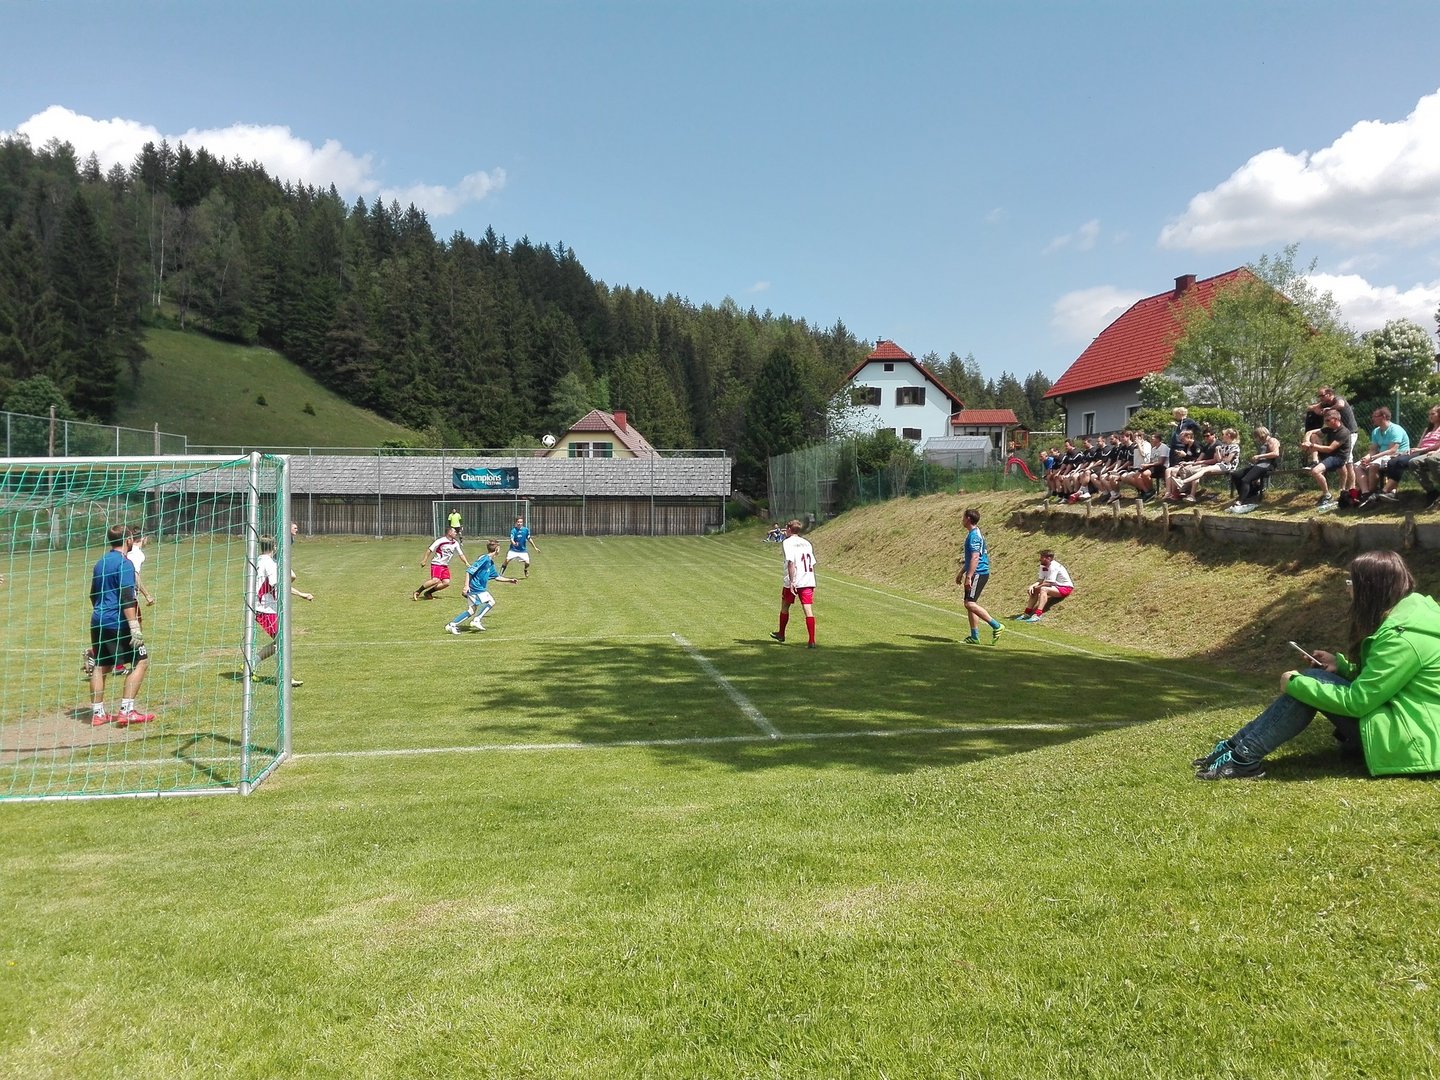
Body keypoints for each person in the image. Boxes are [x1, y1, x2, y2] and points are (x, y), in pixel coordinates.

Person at [1194, 549, 1440, 780]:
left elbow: (1359, 701)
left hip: (1413, 740)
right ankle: (1236, 749)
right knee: (1311, 682)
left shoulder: (1402, 637)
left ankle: (1242, 756)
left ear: (1370, 589)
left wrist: (1296, 685)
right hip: (1406, 725)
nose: (1348, 590)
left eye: (1351, 583)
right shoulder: (1411, 618)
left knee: (1308, 685)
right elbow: (1385, 681)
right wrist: (1341, 667)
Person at [87, 525, 154, 727]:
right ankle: (127, 711)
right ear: (127, 540)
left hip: (98, 620)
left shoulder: (100, 562)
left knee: (101, 665)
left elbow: (93, 594)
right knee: (141, 661)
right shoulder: (125, 564)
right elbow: (126, 597)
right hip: (118, 622)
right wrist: (134, 626)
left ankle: (98, 714)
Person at [250, 535, 313, 687]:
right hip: (265, 609)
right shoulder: (270, 564)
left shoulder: (258, 560)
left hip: (264, 607)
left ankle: (251, 663)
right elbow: (279, 584)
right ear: (274, 547)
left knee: (280, 641)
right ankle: (284, 678)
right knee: (283, 642)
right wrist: (301, 594)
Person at [445, 540, 518, 633]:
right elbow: (469, 571)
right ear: (497, 549)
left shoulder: (490, 562)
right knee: (491, 601)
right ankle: (477, 620)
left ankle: (451, 625)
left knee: (471, 611)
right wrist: (466, 586)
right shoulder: (485, 559)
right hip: (476, 587)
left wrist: (509, 580)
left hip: (476, 588)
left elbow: (496, 577)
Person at [957, 508, 1003, 645]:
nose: (962, 519)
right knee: (970, 604)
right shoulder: (973, 533)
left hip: (978, 572)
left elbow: (975, 557)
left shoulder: (974, 536)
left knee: (969, 603)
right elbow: (971, 558)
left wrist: (969, 577)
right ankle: (974, 637)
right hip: (975, 572)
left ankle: (997, 626)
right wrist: (962, 572)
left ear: (968, 519)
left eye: (963, 517)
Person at [770, 519, 817, 648]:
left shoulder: (787, 542)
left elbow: (791, 562)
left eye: (786, 528)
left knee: (785, 606)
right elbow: (812, 562)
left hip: (794, 579)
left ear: (790, 529)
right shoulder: (807, 543)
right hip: (808, 579)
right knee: (808, 609)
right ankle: (811, 640)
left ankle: (781, 633)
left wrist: (792, 582)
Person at [1355, 407, 1410, 506]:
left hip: (1396, 455)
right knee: (1357, 466)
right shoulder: (1376, 431)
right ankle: (1365, 493)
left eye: (1375, 416)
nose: (1372, 419)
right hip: (1381, 455)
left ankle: (1372, 492)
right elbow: (1373, 449)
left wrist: (1372, 458)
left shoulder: (1395, 429)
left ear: (1383, 417)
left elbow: (1392, 450)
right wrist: (1366, 458)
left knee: (1373, 465)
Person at [1300, 408, 1350, 511]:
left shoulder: (1343, 432)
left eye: (1328, 420)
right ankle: (1315, 461)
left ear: (1336, 419)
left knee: (1315, 472)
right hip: (1329, 455)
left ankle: (1327, 495)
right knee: (1314, 435)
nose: (1325, 423)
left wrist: (1311, 446)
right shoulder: (1330, 428)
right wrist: (1306, 441)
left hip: (1337, 457)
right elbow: (1310, 432)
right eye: (1325, 420)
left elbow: (1330, 449)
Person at [1228, 425, 1282, 512]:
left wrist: (1259, 456)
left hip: (1267, 465)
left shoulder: (1272, 440)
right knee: (1236, 475)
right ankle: (1249, 494)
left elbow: (1276, 453)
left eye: (1256, 436)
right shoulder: (1263, 443)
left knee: (1245, 480)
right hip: (1259, 465)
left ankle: (1241, 500)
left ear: (1261, 434)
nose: (1256, 439)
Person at [1015, 550, 1074, 622]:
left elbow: (1049, 583)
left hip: (1065, 588)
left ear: (1048, 558)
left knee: (1043, 589)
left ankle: (1037, 615)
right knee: (1034, 590)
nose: (1040, 559)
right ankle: (1026, 613)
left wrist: (1037, 587)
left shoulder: (1054, 567)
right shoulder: (1042, 565)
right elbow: (1040, 580)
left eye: (1042, 557)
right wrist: (1032, 586)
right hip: (1055, 586)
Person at [413, 527, 465, 599]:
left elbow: (461, 554)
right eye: (454, 532)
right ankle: (418, 592)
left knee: (446, 583)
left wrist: (466, 563)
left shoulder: (455, 543)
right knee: (435, 580)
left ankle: (428, 593)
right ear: (449, 533)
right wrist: (424, 560)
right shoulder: (440, 540)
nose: (456, 533)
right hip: (437, 564)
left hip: (444, 565)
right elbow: (430, 549)